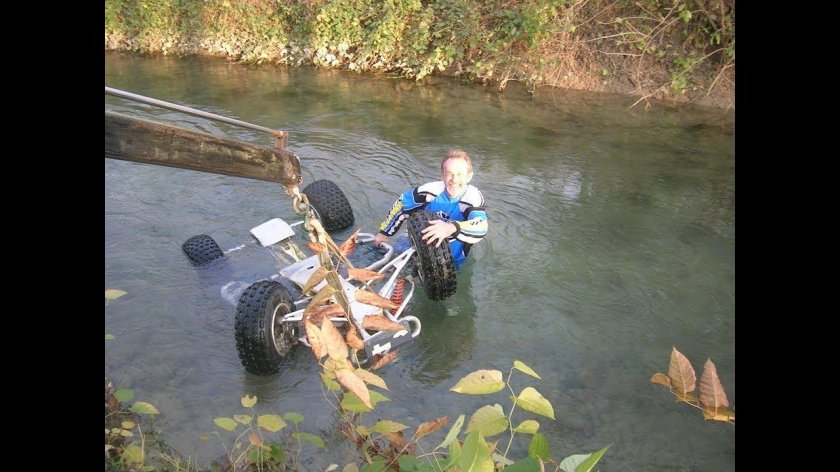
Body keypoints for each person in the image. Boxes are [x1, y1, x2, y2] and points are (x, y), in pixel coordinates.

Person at [374, 149, 488, 267]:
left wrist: (451, 227)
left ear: (469, 176)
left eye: (459, 174)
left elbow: (481, 226)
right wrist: (384, 233)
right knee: (392, 266)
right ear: (442, 175)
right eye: (449, 173)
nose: (454, 180)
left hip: (452, 255)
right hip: (417, 240)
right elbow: (401, 205)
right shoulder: (429, 191)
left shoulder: (473, 197)